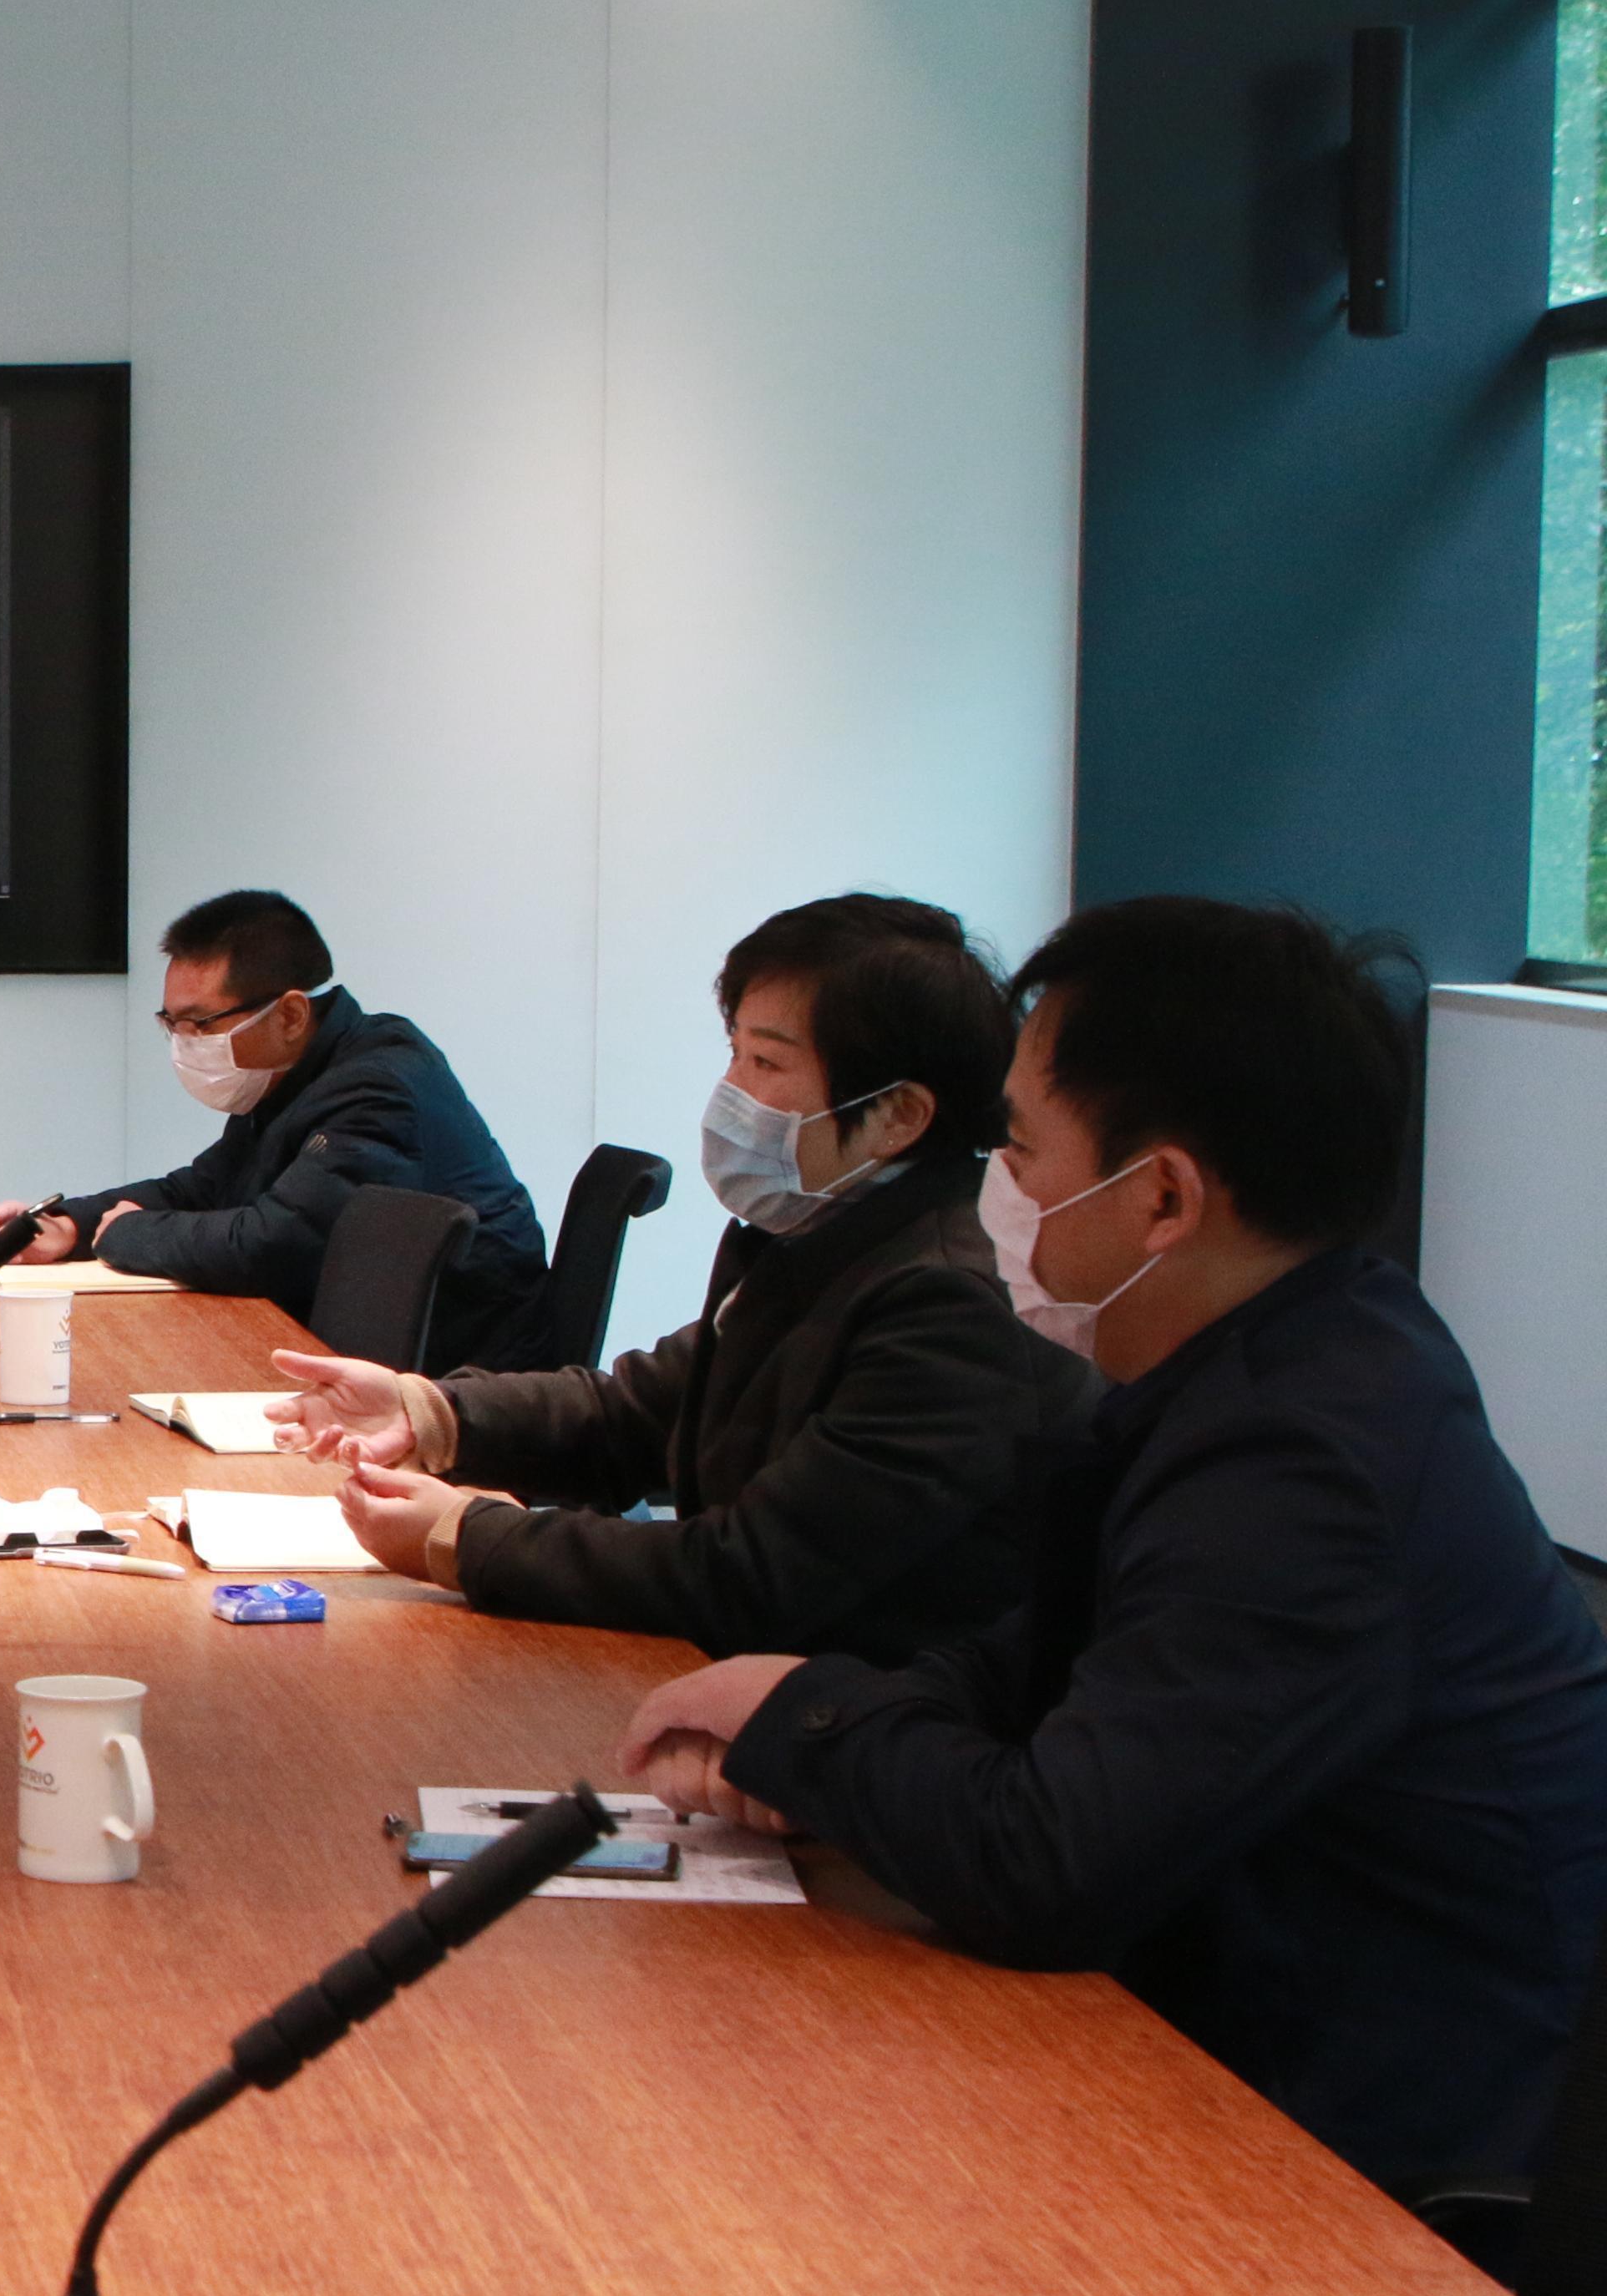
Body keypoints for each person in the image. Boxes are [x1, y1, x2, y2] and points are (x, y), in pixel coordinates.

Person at [617, 897, 1607, 2190]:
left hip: (1347, 2164)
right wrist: (818, 1729)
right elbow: (1032, 1663)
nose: (1000, 1186)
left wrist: (802, 1724)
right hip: (1224, 2039)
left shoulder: (1305, 1468)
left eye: (1022, 1150)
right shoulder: (1268, 1364)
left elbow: (1047, 1862)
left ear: (1163, 1198)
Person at [268, 895, 1091, 1659]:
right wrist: (429, 1412)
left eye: (766, 1063)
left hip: (853, 1716)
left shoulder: (950, 1300)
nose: (732, 1091)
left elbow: (752, 1575)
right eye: (735, 1053)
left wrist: (466, 1537)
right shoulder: (819, 1232)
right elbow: (641, 1409)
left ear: (899, 1115)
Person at [0, 890, 548, 1369]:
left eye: (200, 1023)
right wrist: (69, 1224)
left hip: (461, 1382)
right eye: (171, 1024)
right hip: (364, 1360)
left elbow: (277, 1247)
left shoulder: (378, 1087)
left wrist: (128, 1234)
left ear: (291, 1015)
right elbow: (204, 1188)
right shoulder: (292, 1073)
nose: (184, 1044)